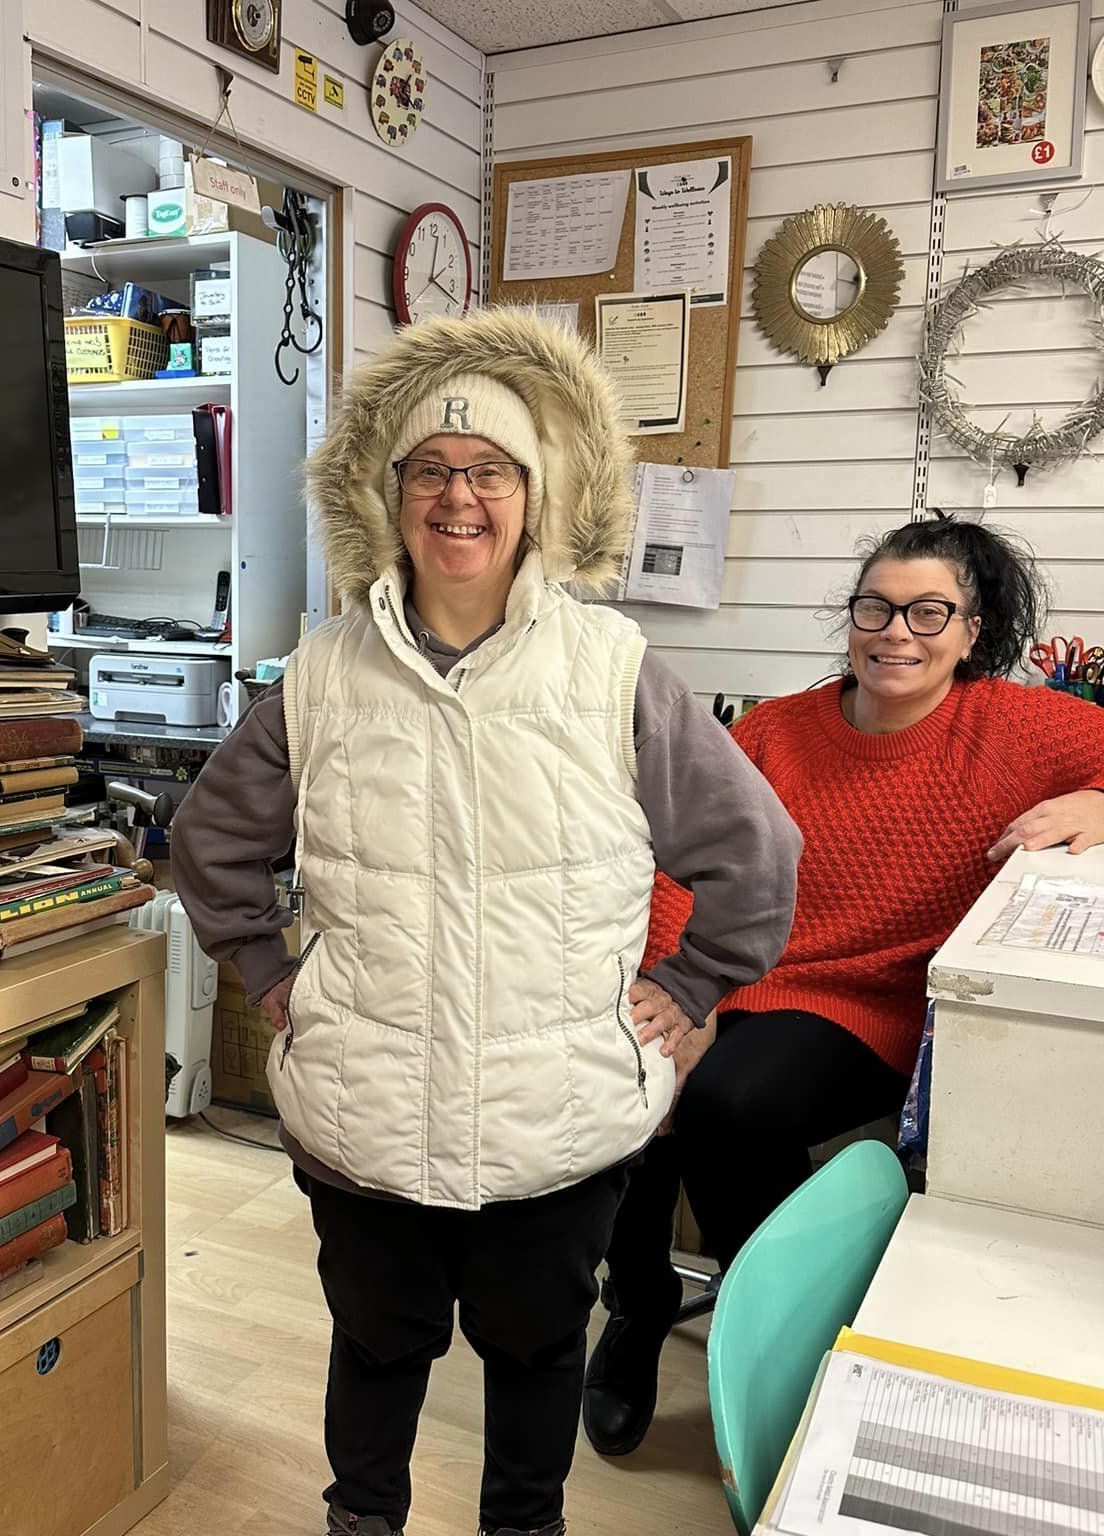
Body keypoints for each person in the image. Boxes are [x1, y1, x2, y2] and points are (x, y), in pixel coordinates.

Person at [171, 307, 802, 1536]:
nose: (459, 498)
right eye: (431, 472)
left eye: (490, 472)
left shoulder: (611, 668)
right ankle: (365, 1522)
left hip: (552, 1115)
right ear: (392, 493)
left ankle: (523, 1528)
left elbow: (754, 851)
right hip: (367, 1111)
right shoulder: (323, 673)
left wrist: (695, 982)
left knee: (533, 1354)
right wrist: (264, 966)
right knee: (376, 1347)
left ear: (535, 494)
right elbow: (212, 842)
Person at [583, 513, 1104, 1459]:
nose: (895, 633)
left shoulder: (1012, 722)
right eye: (876, 607)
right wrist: (683, 994)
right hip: (743, 971)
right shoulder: (774, 731)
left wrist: (1103, 804)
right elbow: (683, 865)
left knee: (730, 1106)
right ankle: (637, 1301)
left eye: (927, 613)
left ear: (970, 630)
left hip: (874, 999)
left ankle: (772, 1332)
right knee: (622, 1067)